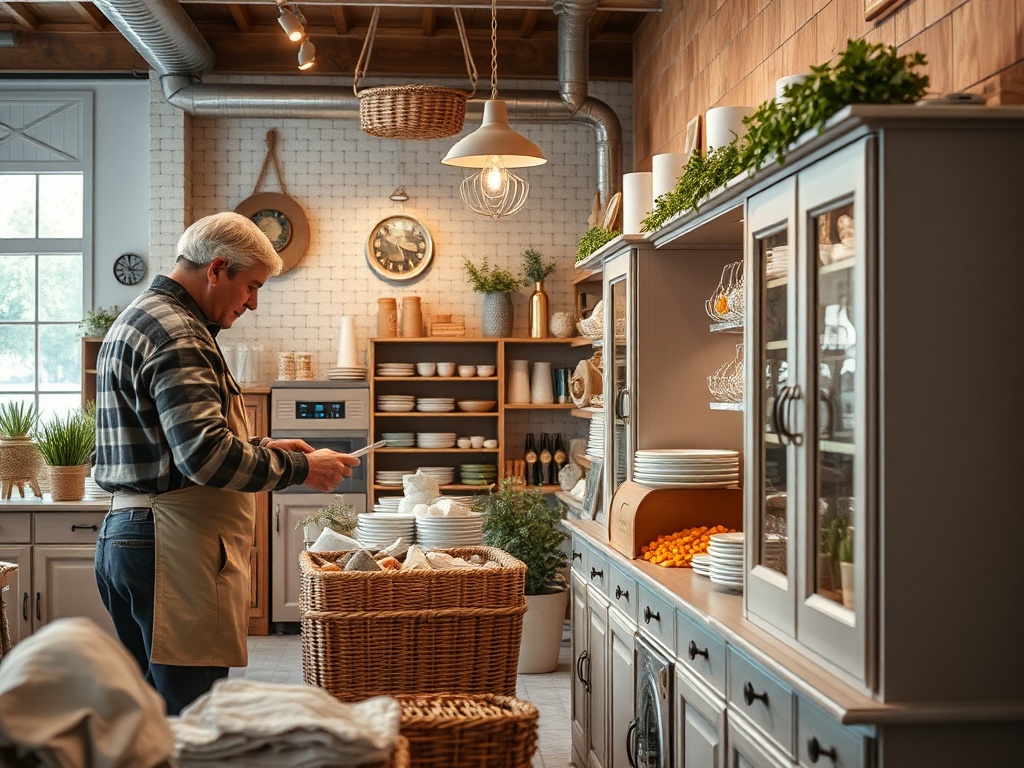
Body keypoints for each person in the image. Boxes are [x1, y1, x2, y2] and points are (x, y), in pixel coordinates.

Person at [92, 211, 360, 715]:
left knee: (150, 717)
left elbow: (173, 444)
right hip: (171, 549)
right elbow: (206, 458)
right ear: (216, 269)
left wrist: (264, 447)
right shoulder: (182, 335)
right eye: (252, 286)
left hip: (130, 534)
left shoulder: (141, 317)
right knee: (190, 715)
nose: (253, 303)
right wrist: (304, 470)